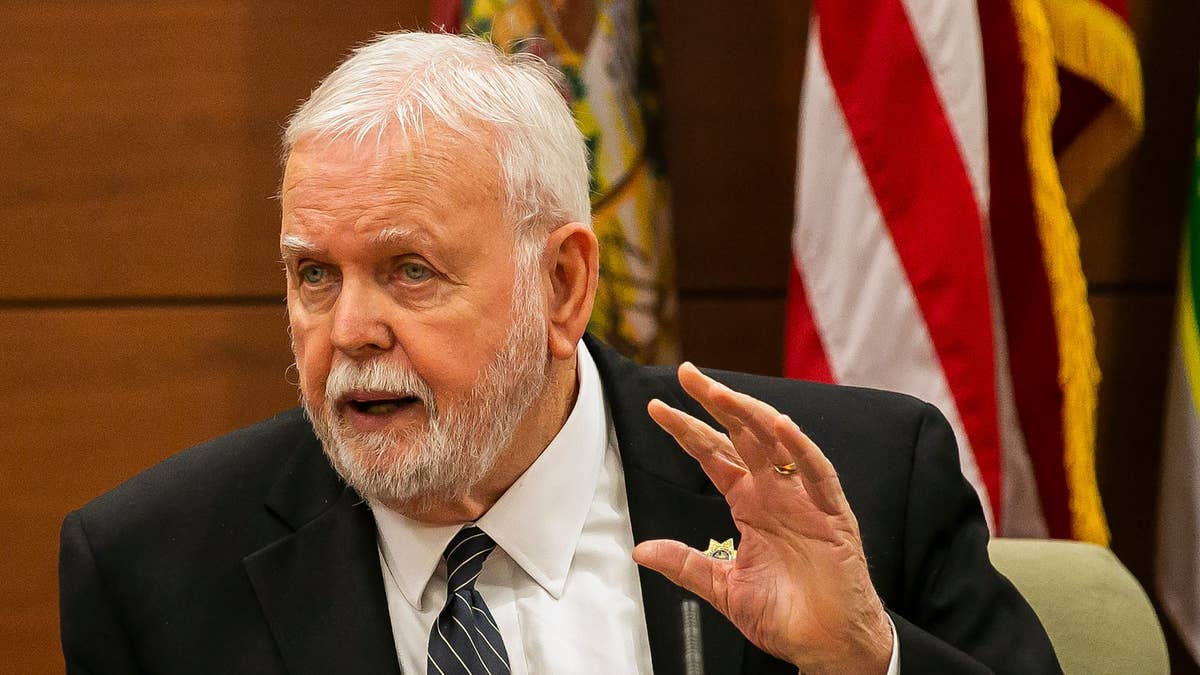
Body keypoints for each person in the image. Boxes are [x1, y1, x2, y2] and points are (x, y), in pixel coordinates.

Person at [59, 31, 1060, 675]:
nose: (349, 331)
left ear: (564, 286)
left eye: (410, 271)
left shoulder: (856, 479)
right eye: (315, 275)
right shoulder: (157, 570)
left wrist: (866, 660)